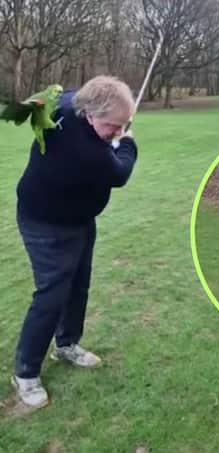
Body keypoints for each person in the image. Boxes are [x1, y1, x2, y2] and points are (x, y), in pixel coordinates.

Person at [12, 76, 138, 409]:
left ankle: (67, 344)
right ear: (90, 114)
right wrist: (128, 141)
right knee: (51, 294)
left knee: (78, 284)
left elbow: (58, 95)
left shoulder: (68, 102)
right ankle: (25, 373)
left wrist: (115, 127)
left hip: (78, 218)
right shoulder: (85, 149)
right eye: (112, 126)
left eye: (122, 126)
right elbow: (119, 173)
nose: (116, 131)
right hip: (45, 222)